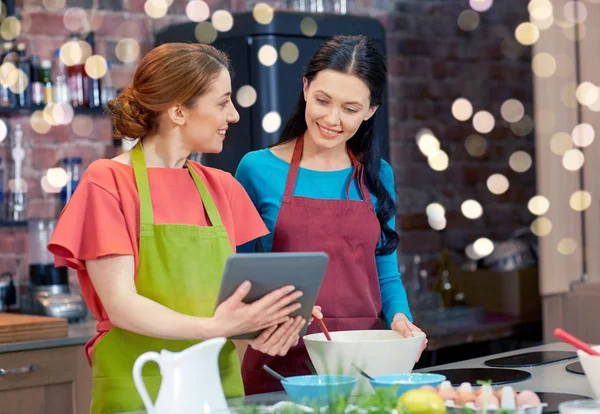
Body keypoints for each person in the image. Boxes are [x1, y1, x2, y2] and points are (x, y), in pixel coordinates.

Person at [48, 43, 307, 414]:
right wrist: (216, 327)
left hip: (216, 384)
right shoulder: (107, 181)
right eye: (222, 102)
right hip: (140, 385)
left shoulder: (223, 187)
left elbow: (229, 302)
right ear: (179, 111)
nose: (233, 115)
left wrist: (274, 315)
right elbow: (122, 305)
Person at [234, 35, 428, 395]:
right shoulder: (257, 169)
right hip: (282, 364)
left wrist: (401, 319)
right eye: (323, 100)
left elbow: (385, 270)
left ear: (371, 111)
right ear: (306, 88)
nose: (332, 119)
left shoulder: (377, 174)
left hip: (366, 362)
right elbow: (237, 281)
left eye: (350, 109)